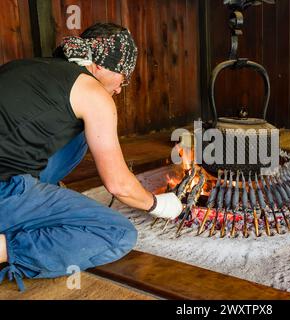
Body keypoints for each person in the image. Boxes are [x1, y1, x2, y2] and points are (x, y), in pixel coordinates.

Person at [0, 23, 182, 291]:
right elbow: (118, 185)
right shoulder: (93, 92)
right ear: (100, 66)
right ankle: (5, 248)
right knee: (118, 233)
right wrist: (158, 205)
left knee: (80, 134)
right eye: (123, 77)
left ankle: (33, 206)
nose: (121, 88)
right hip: (4, 188)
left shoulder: (29, 68)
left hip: (9, 173)